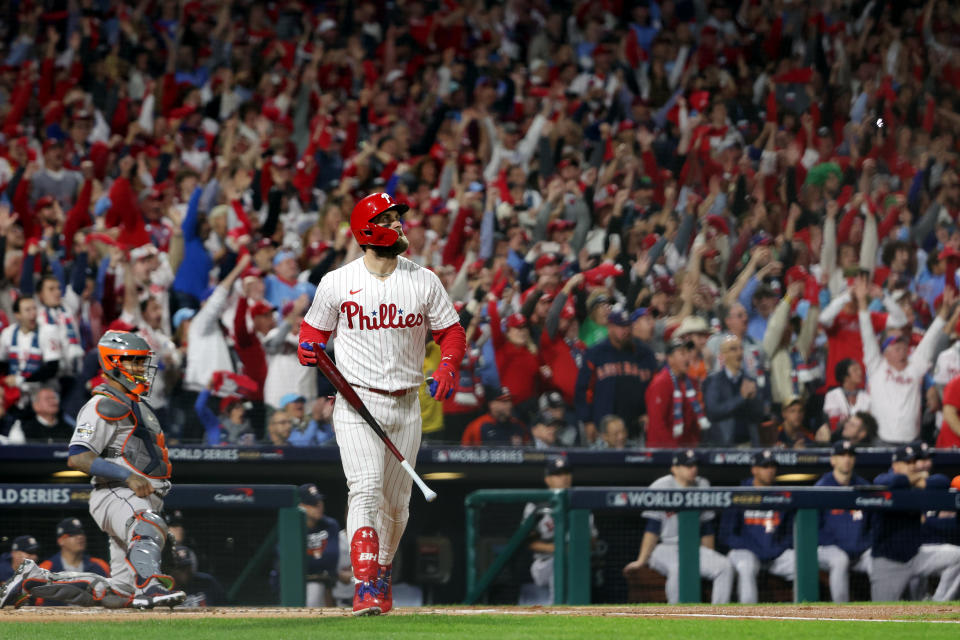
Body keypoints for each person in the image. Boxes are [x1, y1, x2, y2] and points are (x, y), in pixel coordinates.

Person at [297, 193, 466, 615]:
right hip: (356, 402)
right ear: (368, 230)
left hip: (407, 404)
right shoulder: (337, 282)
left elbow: (452, 331)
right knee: (366, 488)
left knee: (397, 504)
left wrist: (448, 366)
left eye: (398, 218)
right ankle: (364, 582)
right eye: (390, 219)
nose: (400, 225)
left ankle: (382, 570)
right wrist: (310, 345)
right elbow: (312, 331)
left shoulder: (423, 279)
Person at [0, 331, 185, 610]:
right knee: (147, 524)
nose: (141, 369)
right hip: (116, 492)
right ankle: (150, 585)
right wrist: (127, 476)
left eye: (141, 362)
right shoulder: (100, 404)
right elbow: (77, 457)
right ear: (113, 363)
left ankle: (34, 581)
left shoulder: (136, 404)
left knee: (120, 594)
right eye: (134, 362)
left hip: (138, 498)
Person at [622, 450, 734, 604]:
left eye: (695, 465)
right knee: (679, 568)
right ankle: (677, 615)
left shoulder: (703, 485)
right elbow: (652, 528)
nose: (693, 469)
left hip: (693, 547)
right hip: (665, 548)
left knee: (724, 566)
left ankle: (718, 617)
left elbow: (707, 528)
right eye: (687, 466)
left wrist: (709, 556)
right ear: (674, 468)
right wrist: (641, 560)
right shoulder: (661, 486)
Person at [856, 277, 953, 443]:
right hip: (881, 442)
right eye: (896, 348)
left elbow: (930, 339)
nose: (902, 351)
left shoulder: (914, 367)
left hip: (912, 442)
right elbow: (866, 334)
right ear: (885, 351)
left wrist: (944, 312)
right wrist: (862, 302)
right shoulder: (876, 367)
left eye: (903, 347)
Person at [870, 445, 960, 601]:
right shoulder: (884, 479)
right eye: (907, 462)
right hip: (889, 562)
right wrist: (916, 479)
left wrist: (920, 482)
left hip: (916, 556)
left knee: (957, 556)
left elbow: (943, 481)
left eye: (914, 462)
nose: (913, 466)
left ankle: (937, 605)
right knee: (881, 614)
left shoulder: (919, 482)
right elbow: (891, 482)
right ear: (895, 465)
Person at [720, 449, 795, 604]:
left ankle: (803, 615)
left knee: (802, 564)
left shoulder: (783, 496)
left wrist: (777, 548)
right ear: (754, 470)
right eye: (765, 466)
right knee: (746, 566)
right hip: (746, 552)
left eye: (772, 466)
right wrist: (754, 548)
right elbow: (726, 535)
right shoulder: (739, 494)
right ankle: (749, 616)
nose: (770, 471)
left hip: (774, 554)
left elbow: (790, 534)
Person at [575, 308, 657, 444]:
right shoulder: (596, 353)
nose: (625, 331)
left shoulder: (645, 354)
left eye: (628, 326)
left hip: (635, 427)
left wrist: (649, 412)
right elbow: (584, 389)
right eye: (620, 327)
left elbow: (653, 388)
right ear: (610, 327)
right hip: (602, 428)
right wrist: (587, 420)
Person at [522, 457, 596, 603]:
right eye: (558, 474)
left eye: (567, 473)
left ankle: (570, 609)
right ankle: (557, 609)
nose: (564, 478)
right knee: (559, 561)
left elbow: (593, 541)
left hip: (574, 561)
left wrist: (577, 548)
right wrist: (558, 549)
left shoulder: (581, 503)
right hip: (543, 563)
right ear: (548, 479)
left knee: (569, 563)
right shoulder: (536, 504)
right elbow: (528, 542)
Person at [815, 441, 872, 603]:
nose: (846, 459)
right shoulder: (821, 488)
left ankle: (883, 610)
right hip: (829, 549)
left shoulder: (864, 487)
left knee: (880, 561)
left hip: (860, 549)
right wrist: (841, 545)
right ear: (833, 460)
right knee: (839, 560)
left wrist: (863, 544)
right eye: (841, 455)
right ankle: (842, 611)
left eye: (850, 455)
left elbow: (874, 524)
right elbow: (814, 529)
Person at [703, 334, 766, 446]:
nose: (739, 353)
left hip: (748, 444)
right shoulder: (714, 382)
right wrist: (741, 398)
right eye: (733, 349)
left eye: (740, 348)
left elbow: (759, 415)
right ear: (723, 355)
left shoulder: (749, 380)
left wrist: (754, 399)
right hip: (724, 447)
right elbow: (713, 412)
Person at [0, 296, 61, 408]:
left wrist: (22, 380)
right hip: (15, 397)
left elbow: (52, 368)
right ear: (17, 314)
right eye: (28, 310)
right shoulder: (8, 334)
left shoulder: (48, 331)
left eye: (34, 309)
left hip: (41, 395)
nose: (33, 313)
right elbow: (2, 362)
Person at [645, 338, 708, 447]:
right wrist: (673, 450)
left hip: (685, 450)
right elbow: (657, 423)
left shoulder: (691, 382)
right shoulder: (661, 383)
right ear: (670, 359)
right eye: (682, 353)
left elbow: (692, 420)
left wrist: (695, 445)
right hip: (662, 453)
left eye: (688, 353)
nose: (688, 358)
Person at [294, 483, 340, 607]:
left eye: (319, 501)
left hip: (321, 583)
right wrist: (317, 555)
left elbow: (331, 559)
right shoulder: (291, 527)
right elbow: (289, 563)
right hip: (293, 583)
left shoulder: (330, 525)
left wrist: (308, 556)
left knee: (316, 586)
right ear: (301, 506)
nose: (319, 506)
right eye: (313, 503)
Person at [460, 387, 529, 445]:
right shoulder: (477, 426)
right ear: (492, 405)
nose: (509, 405)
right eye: (504, 401)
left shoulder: (519, 425)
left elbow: (529, 453)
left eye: (510, 401)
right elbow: (464, 454)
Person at [822, 359, 871, 432]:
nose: (860, 373)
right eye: (855, 370)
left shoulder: (865, 396)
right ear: (845, 376)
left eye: (860, 369)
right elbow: (833, 426)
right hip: (840, 437)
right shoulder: (833, 395)